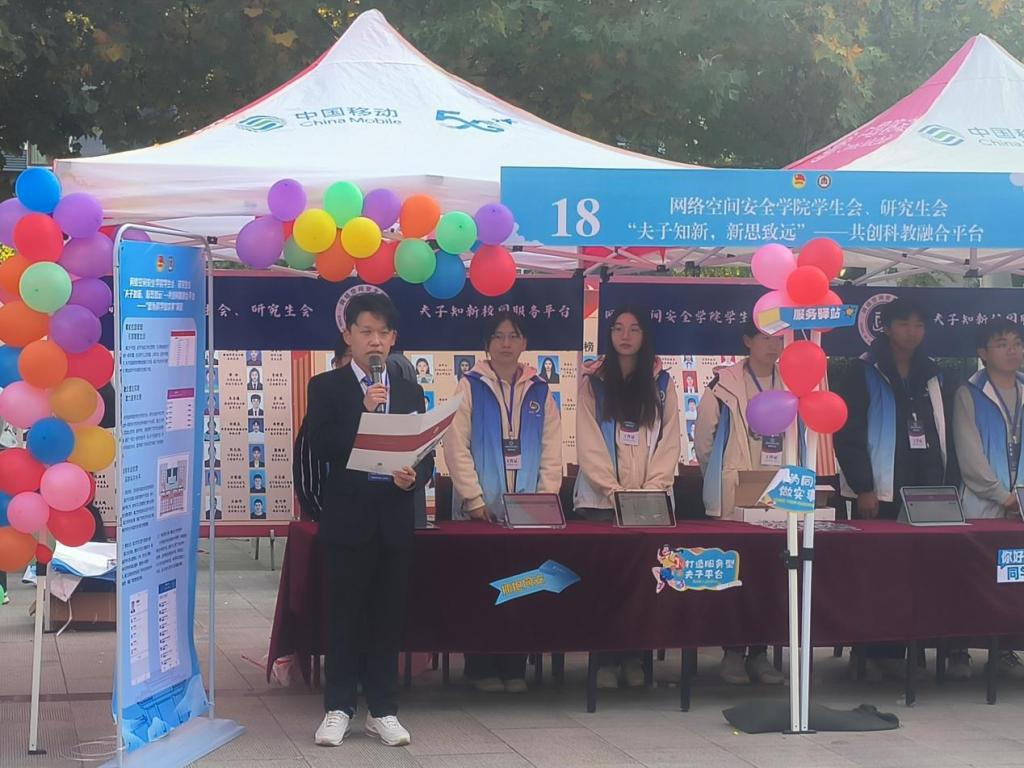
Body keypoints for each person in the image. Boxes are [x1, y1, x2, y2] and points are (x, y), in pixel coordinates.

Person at [306, 293, 433, 748]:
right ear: (348, 336)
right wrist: (363, 411)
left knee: (386, 618)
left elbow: (425, 453)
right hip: (348, 519)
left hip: (393, 519)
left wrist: (414, 477)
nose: (375, 341)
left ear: (393, 338)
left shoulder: (410, 390)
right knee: (345, 617)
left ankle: (383, 710)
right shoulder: (326, 387)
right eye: (366, 332)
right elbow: (320, 446)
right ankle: (338, 708)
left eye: (383, 333)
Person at [443, 311, 562, 693]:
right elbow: (455, 446)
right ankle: (480, 667)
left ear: (524, 343)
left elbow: (552, 451)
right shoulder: (469, 386)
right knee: (480, 588)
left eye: (513, 336)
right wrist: (474, 498)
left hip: (527, 514)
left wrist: (544, 501)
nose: (506, 343)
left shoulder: (540, 391)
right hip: (480, 513)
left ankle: (514, 666)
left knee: (522, 586)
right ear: (487, 344)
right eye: (498, 336)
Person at [834, 298, 950, 680]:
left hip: (924, 490)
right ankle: (868, 649)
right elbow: (847, 434)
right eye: (904, 324)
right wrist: (863, 486)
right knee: (874, 574)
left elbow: (940, 429)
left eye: (919, 324)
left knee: (915, 574)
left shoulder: (932, 372)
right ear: (886, 327)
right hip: (879, 490)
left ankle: (906, 648)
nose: (912, 332)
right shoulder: (862, 370)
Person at [573, 308, 681, 689]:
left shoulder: (662, 382)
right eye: (618, 328)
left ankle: (637, 659)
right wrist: (613, 490)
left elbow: (671, 440)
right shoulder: (593, 381)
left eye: (634, 329)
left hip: (650, 504)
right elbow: (587, 440)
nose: (625, 335)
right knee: (606, 586)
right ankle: (604, 660)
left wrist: (650, 491)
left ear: (644, 335)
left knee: (644, 586)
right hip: (601, 504)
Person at [694, 320, 786, 686]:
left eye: (778, 338)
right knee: (734, 578)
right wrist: (720, 477)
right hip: (734, 495)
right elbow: (704, 441)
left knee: (769, 580)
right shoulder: (723, 384)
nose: (773, 345)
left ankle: (760, 655)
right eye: (765, 337)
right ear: (747, 340)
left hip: (777, 495)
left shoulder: (792, 383)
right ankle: (732, 653)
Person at [948, 319, 1024, 680]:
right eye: (1002, 344)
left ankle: (1005, 647)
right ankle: (959, 648)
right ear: (982, 352)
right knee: (971, 576)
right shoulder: (969, 393)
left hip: (1021, 508)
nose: (1012, 350)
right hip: (982, 503)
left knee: (1011, 579)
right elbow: (969, 455)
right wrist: (1001, 496)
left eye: (1017, 343)